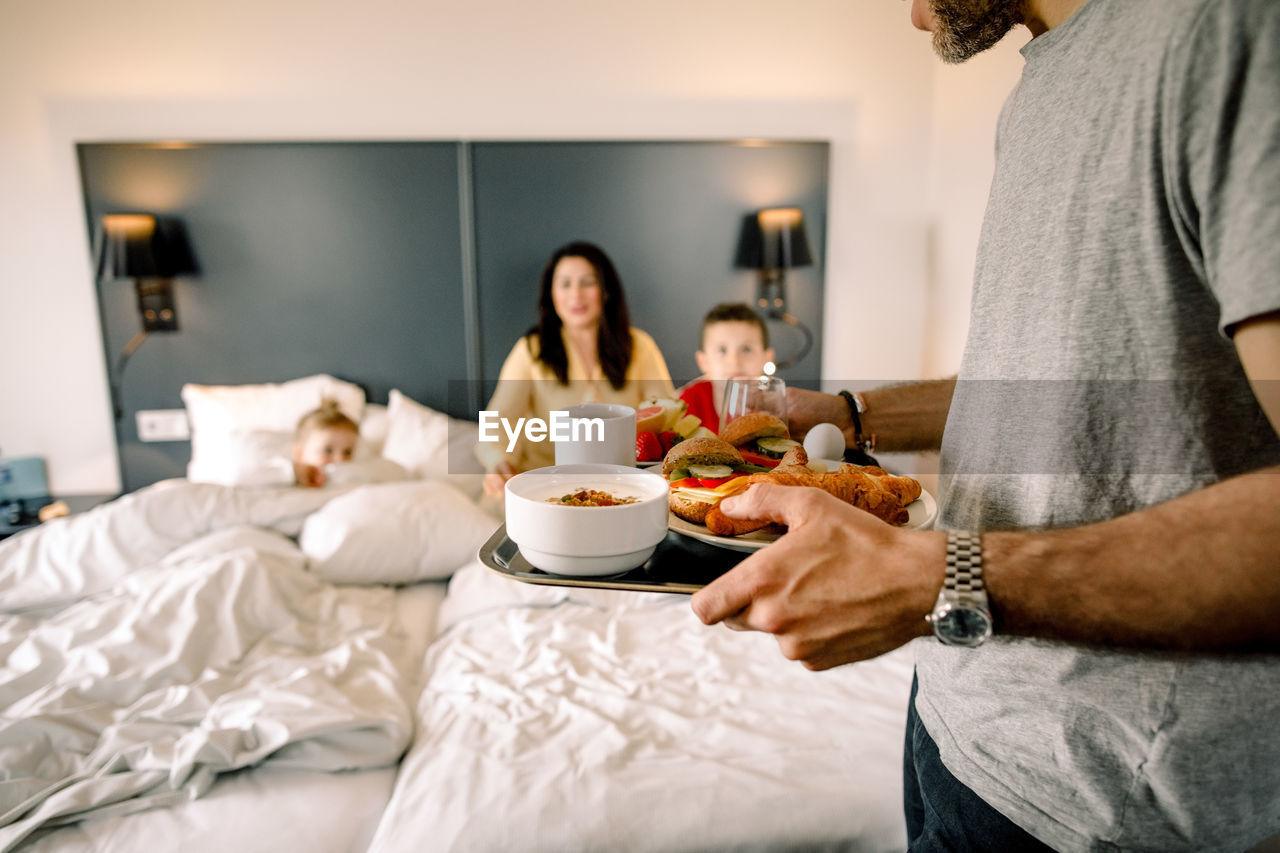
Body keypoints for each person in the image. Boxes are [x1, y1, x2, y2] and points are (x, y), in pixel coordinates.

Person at [689, 0, 1280, 850]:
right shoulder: (1034, 94)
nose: (911, 12)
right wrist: (851, 413)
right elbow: (1049, 382)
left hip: (1100, 802)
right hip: (951, 712)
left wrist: (942, 571)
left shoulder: (1220, 29)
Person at [480, 241, 675, 496]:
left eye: (587, 282)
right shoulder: (531, 349)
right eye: (565, 284)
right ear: (551, 294)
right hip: (544, 488)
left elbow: (670, 415)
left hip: (624, 489)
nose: (576, 295)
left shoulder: (641, 346)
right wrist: (499, 463)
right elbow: (498, 422)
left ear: (606, 291)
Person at [677, 302, 776, 435]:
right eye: (722, 350)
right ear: (703, 361)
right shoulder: (689, 402)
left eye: (746, 349)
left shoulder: (775, 405)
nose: (734, 361)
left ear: (767, 358)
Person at [291, 398, 359, 488]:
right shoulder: (284, 475)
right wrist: (293, 474)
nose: (340, 460)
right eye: (327, 450)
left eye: (347, 452)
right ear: (299, 453)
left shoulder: (353, 481)